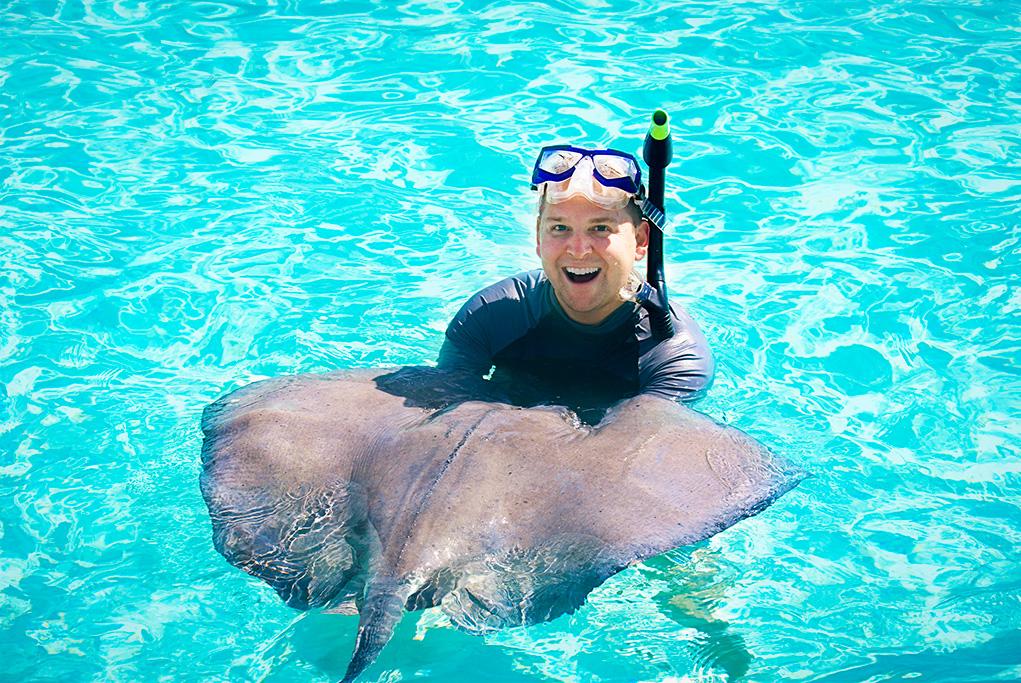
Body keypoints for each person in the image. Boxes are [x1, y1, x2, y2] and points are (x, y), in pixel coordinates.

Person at [437, 144, 713, 422]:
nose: (578, 249)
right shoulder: (489, 318)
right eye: (560, 228)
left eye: (600, 228)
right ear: (538, 236)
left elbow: (651, 451)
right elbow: (442, 418)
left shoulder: (673, 357)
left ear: (641, 241)